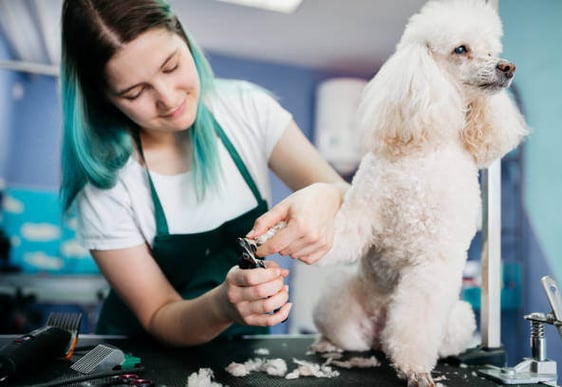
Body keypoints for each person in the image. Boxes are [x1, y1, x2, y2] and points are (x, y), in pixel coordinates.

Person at [59, 0, 349, 346]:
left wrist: (328, 195)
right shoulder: (105, 185)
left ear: (183, 38)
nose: (167, 99)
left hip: (243, 350)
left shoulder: (248, 110)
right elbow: (158, 314)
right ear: (104, 99)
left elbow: (347, 196)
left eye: (171, 66)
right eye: (135, 92)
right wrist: (223, 305)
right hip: (142, 358)